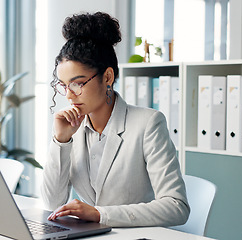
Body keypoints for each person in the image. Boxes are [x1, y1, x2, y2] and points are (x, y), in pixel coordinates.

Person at [41, 12, 190, 227]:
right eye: (64, 85)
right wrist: (61, 141)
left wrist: (100, 214)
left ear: (108, 77)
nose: (69, 95)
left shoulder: (148, 124)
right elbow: (51, 203)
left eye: (78, 83)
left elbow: (177, 207)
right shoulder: (73, 127)